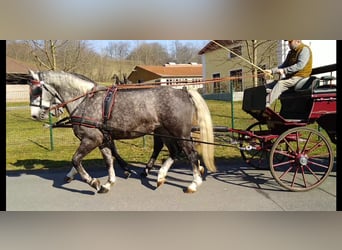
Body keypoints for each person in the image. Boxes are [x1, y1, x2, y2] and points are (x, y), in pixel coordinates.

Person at [264, 40, 313, 107]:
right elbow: (284, 65)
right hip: (291, 78)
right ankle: (257, 103)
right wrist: (271, 71)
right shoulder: (291, 52)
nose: (288, 44)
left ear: (297, 41)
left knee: (280, 84)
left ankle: (265, 104)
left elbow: (299, 66)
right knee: (268, 85)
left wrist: (284, 71)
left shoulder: (304, 49)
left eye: (290, 42)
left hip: (300, 77)